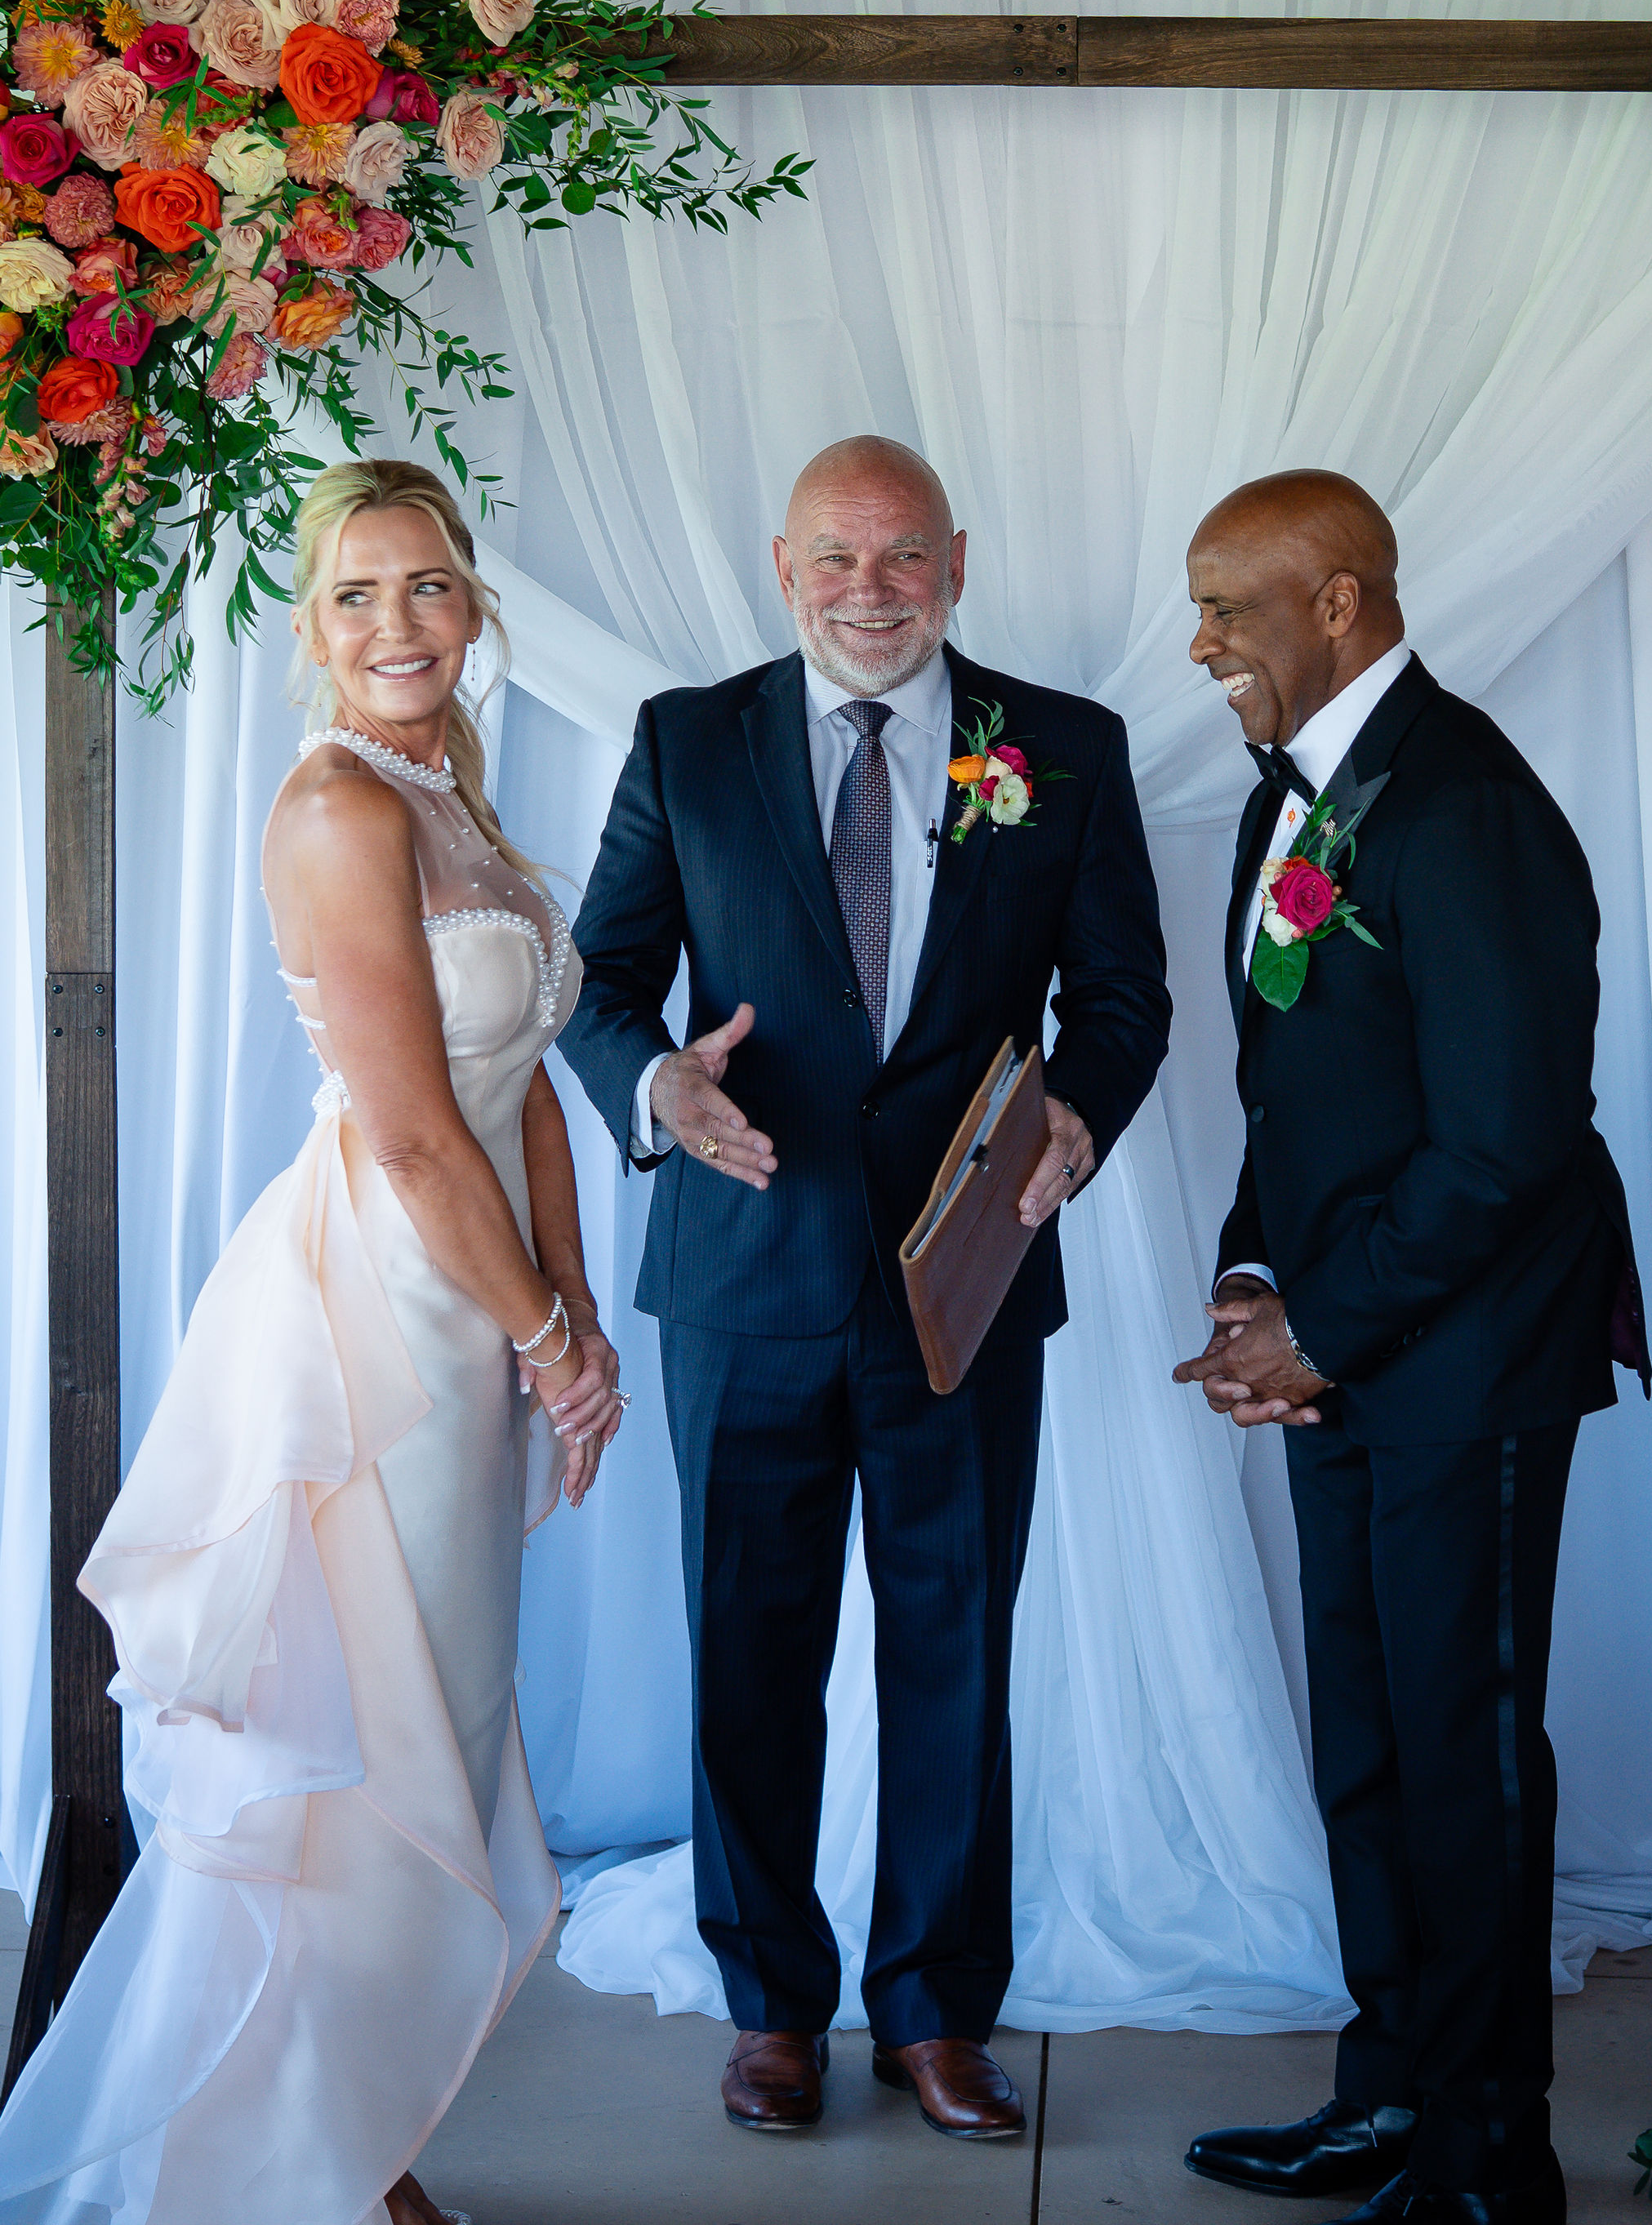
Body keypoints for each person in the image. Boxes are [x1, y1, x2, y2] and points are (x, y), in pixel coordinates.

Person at [0, 459, 623, 2225]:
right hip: (384, 1321)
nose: (399, 623)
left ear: (474, 603)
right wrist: (540, 1338)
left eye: (428, 585)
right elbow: (416, 1136)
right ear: (312, 624)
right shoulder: (340, 808)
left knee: (448, 1707)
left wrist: (575, 1322)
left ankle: (359, 2138)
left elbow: (530, 1096)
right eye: (358, 593)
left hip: (476, 1303)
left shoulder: (453, 795)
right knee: (368, 1739)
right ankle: (319, 2166)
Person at [559, 433, 1172, 2142]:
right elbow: (598, 983)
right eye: (835, 557)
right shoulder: (688, 740)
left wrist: (1081, 1112)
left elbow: (1123, 996)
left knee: (954, 1646)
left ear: (958, 565)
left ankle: (935, 2012)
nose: (871, 590)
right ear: (783, 569)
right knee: (746, 1656)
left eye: (905, 556)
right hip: (744, 1272)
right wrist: (657, 1086)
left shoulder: (1066, 746)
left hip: (964, 1282)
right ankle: (770, 2006)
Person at [1173, 470, 1649, 2225]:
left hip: (1469, 1360)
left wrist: (1323, 1325)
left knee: (1465, 1754)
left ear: (1342, 603)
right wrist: (1253, 1279)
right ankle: (1388, 2101)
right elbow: (1298, 1095)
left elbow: (1508, 1140)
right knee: (1369, 1743)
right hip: (1347, 1350)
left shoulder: (1464, 806)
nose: (1200, 643)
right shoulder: (1291, 799)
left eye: (1228, 607)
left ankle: (1488, 2157)